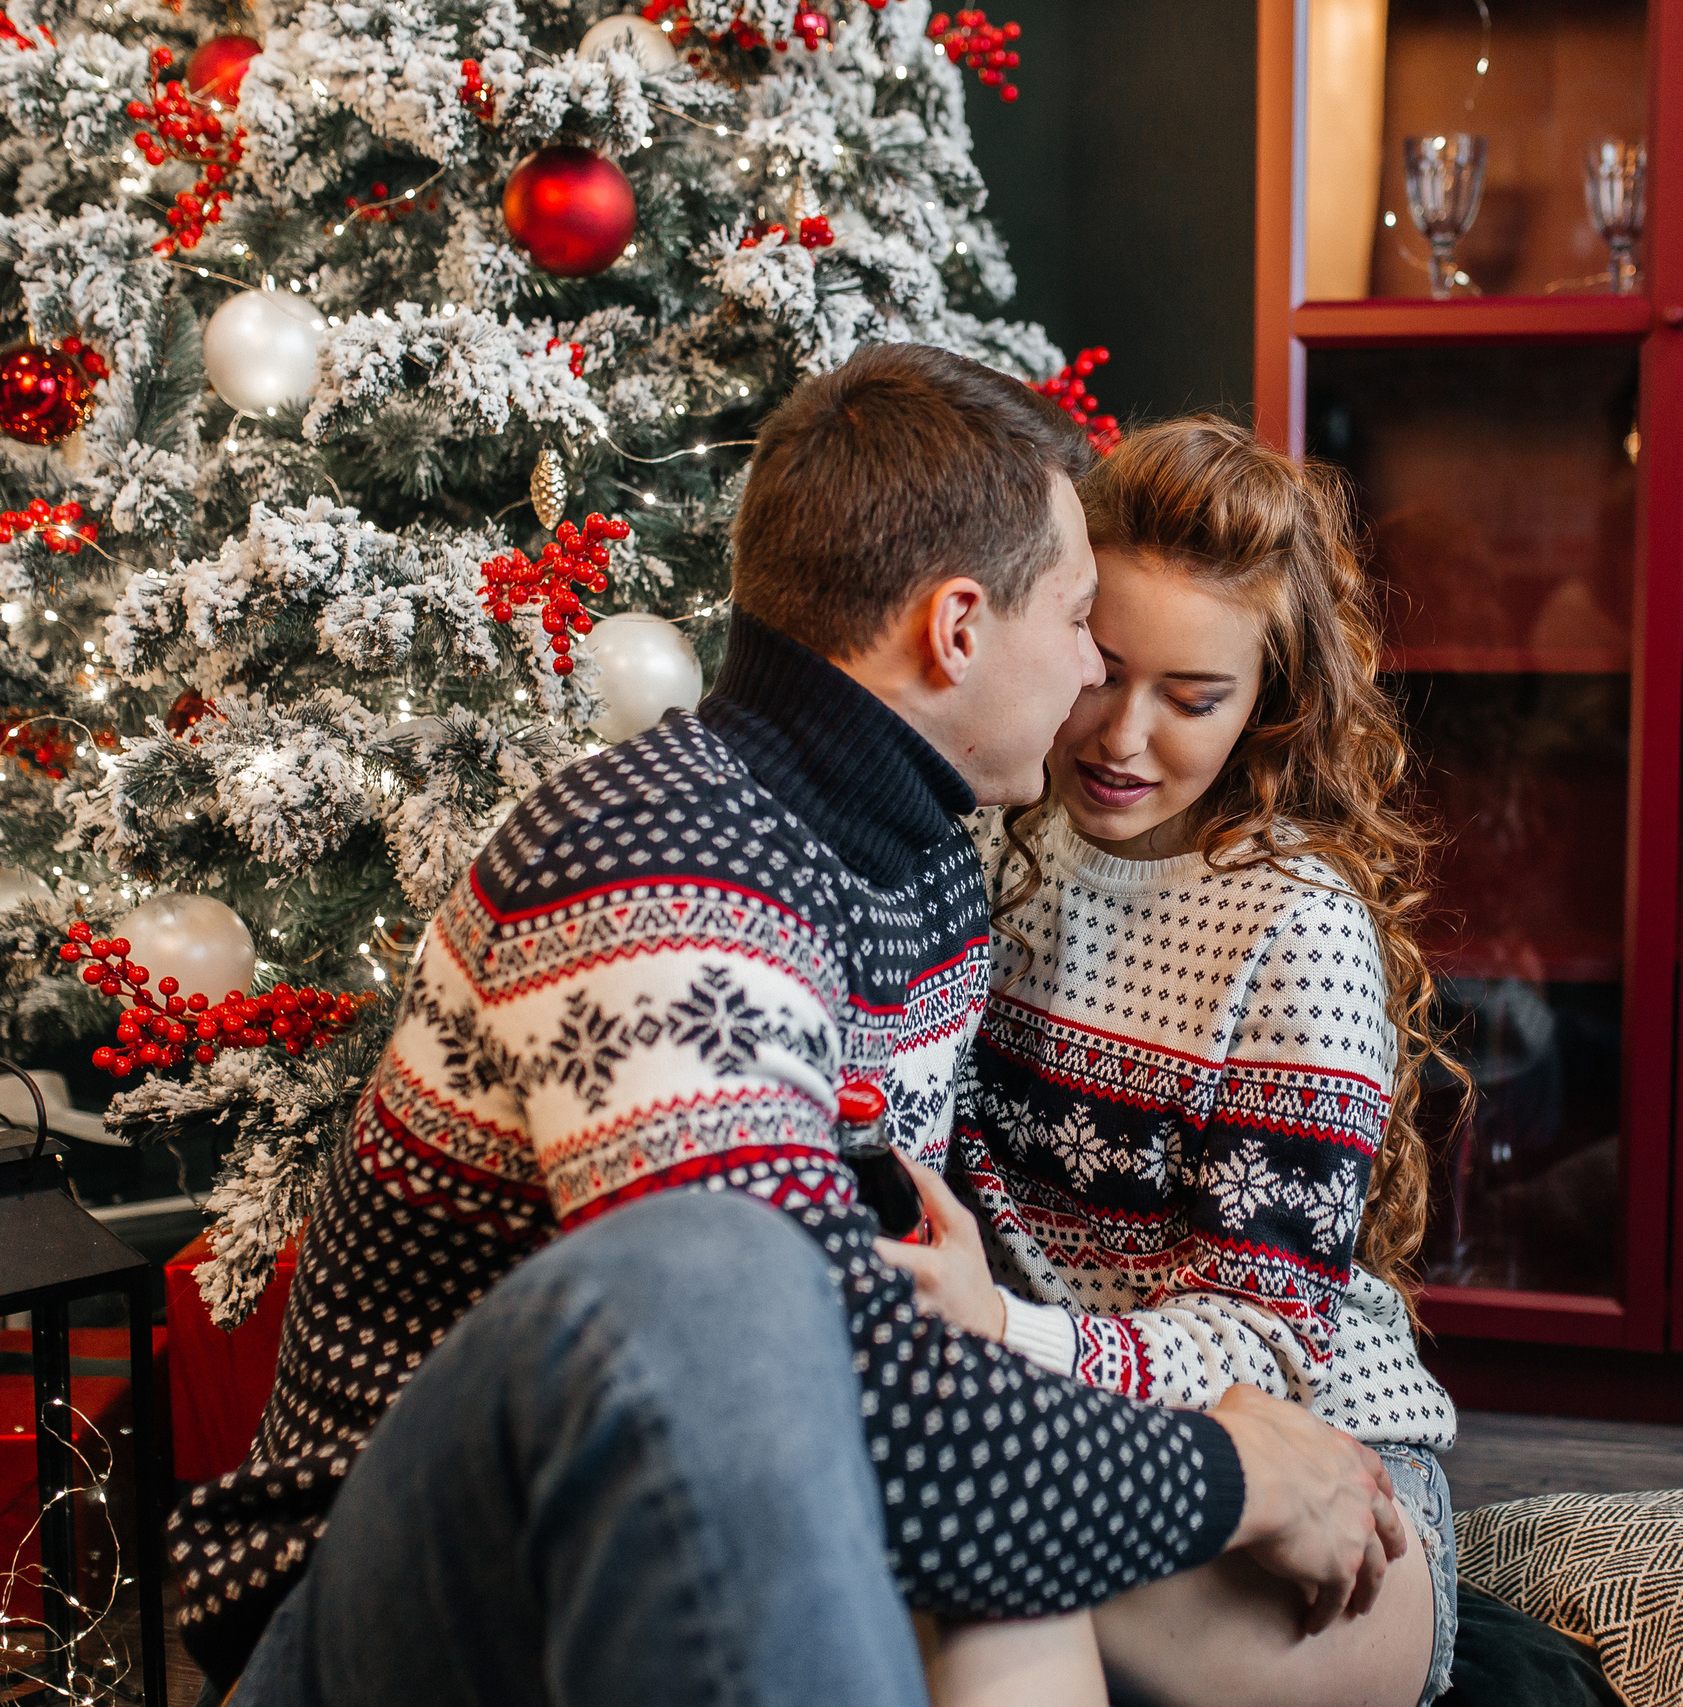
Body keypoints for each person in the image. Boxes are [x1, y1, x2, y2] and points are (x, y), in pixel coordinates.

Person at [167, 345, 1411, 1706]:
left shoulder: (933, 858)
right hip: (421, 1606)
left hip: (710, 1533)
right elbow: (815, 1399)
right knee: (735, 1289)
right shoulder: (654, 874)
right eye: (1078, 629)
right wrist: (1234, 1476)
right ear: (956, 631)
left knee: (982, 1561)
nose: (1090, 690)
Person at [878, 416, 1465, 1707]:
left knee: (965, 1544)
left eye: (1194, 699)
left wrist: (1008, 1334)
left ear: (1269, 706)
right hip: (1069, 1435)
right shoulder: (992, 842)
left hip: (1326, 1495)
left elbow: (1264, 1344)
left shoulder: (1291, 924)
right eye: (1104, 670)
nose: (1125, 739)